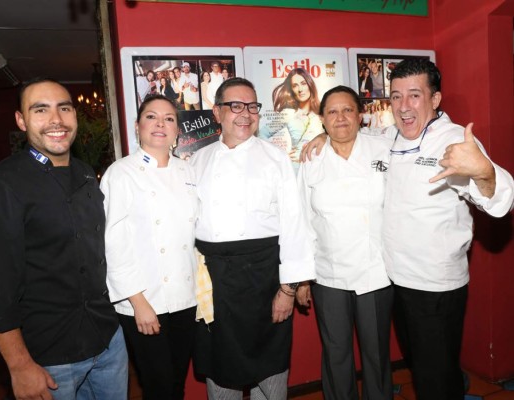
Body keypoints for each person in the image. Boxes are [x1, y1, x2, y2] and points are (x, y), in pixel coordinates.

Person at [301, 58, 514, 400]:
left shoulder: (454, 140)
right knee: (424, 369)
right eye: (396, 96)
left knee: (434, 377)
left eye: (414, 95)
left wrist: (484, 173)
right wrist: (322, 137)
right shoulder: (391, 137)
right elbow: (351, 131)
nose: (403, 106)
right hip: (397, 280)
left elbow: (501, 200)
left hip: (435, 285)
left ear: (436, 99)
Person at [0, 78, 128, 400]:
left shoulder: (87, 173)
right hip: (48, 356)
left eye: (64, 108)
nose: (56, 120)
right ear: (21, 121)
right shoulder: (1, 184)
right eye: (40, 110)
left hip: (108, 341)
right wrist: (19, 365)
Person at [189, 77, 316, 399]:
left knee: (270, 373)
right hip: (214, 281)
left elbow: (294, 224)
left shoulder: (275, 159)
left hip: (263, 278)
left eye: (252, 107)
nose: (245, 114)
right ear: (217, 113)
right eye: (235, 106)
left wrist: (288, 290)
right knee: (221, 369)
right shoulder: (197, 161)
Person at [297, 86, 393, 400]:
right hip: (329, 273)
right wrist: (302, 278)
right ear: (322, 120)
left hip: (377, 270)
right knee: (336, 352)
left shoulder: (384, 147)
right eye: (333, 112)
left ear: (361, 115)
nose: (341, 118)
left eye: (348, 110)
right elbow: (302, 220)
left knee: (376, 353)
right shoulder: (312, 159)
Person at [100, 94, 197, 400]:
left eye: (169, 118)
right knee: (157, 385)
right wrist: (138, 302)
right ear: (137, 126)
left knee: (176, 382)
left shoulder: (188, 171)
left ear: (177, 130)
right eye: (151, 117)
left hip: (186, 298)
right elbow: (112, 244)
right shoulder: (121, 173)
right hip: (144, 299)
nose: (160, 124)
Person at [258, 68, 325, 170]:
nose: (300, 89)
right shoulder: (288, 113)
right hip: (296, 168)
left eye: (303, 83)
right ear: (291, 90)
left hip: (320, 167)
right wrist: (279, 155)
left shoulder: (323, 112)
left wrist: (324, 137)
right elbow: (261, 134)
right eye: (295, 85)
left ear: (310, 85)